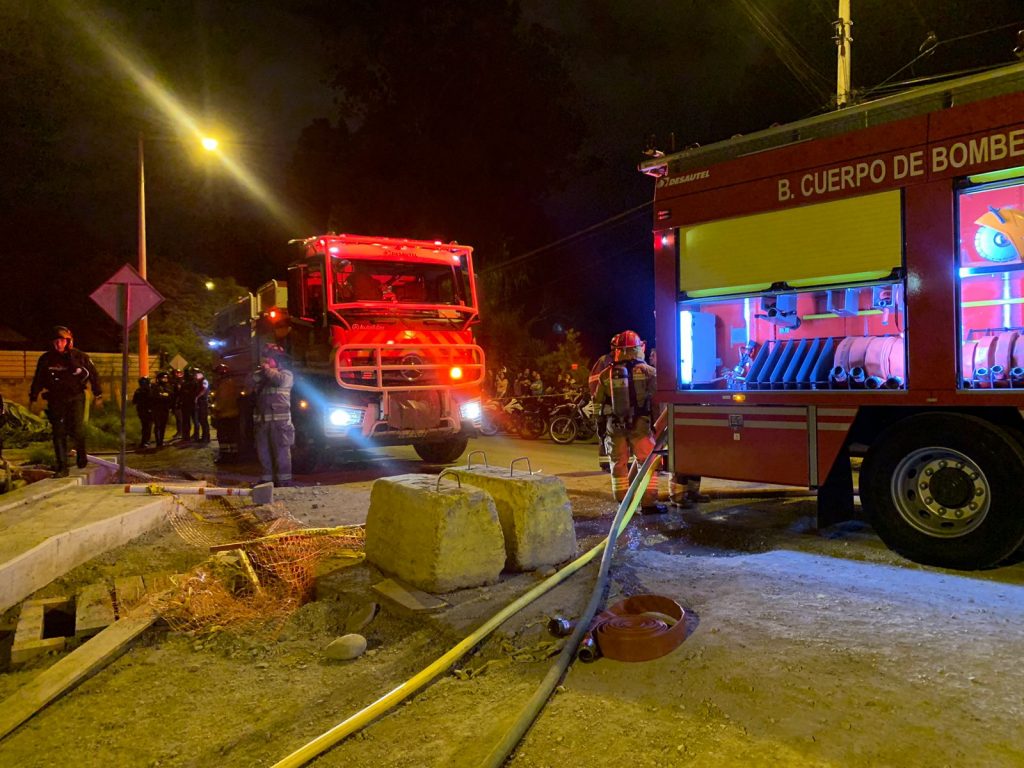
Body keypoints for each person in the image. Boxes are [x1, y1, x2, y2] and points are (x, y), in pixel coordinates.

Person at [592, 329, 663, 512]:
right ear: (639, 348)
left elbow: (598, 405)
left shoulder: (605, 374)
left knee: (618, 464)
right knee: (647, 462)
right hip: (641, 425)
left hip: (614, 426)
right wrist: (655, 427)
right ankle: (649, 504)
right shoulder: (650, 372)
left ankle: (623, 504)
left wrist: (601, 429)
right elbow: (657, 402)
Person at [29, 325, 103, 476]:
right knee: (58, 432)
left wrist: (98, 395)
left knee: (77, 429)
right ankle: (62, 466)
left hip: (75, 397)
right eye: (56, 341)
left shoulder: (80, 357)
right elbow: (38, 378)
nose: (59, 344)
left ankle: (81, 453)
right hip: (56, 399)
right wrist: (33, 396)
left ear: (69, 341)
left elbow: (93, 375)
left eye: (62, 341)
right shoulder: (46, 359)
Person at [248, 343, 295, 487]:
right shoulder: (263, 376)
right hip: (262, 423)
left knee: (281, 451)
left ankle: (284, 480)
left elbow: (280, 381)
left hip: (280, 424)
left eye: (269, 359)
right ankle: (267, 479)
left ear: (277, 360)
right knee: (264, 452)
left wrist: (267, 370)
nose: (266, 362)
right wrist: (260, 373)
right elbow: (249, 382)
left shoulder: (286, 374)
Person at [212, 363, 240, 463]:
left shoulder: (224, 385)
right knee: (232, 437)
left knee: (223, 437)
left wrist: (216, 410)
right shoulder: (232, 383)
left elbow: (222, 401)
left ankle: (224, 457)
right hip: (233, 414)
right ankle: (234, 456)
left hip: (224, 415)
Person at [150, 371, 175, 448]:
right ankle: (158, 441)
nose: (165, 379)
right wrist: (163, 396)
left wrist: (165, 396)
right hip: (157, 409)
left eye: (166, 378)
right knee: (157, 425)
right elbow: (155, 397)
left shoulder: (169, 387)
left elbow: (171, 397)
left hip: (165, 409)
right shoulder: (155, 387)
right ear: (159, 379)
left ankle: (161, 441)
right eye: (163, 378)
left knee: (163, 425)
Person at [131, 376, 153, 449]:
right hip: (148, 411)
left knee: (145, 426)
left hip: (141, 411)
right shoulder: (149, 390)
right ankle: (146, 441)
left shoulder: (138, 390)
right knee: (147, 426)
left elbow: (134, 401)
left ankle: (144, 441)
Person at [191, 369, 211, 443]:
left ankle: (206, 437)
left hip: (203, 402)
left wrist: (197, 397)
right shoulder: (198, 382)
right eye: (195, 374)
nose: (196, 375)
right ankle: (204, 437)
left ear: (202, 374)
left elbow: (204, 390)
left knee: (203, 420)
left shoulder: (204, 381)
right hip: (199, 403)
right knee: (200, 420)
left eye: (197, 374)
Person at [170, 368, 186, 439]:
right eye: (177, 373)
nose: (178, 374)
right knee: (178, 418)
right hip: (176, 402)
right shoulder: (175, 382)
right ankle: (179, 432)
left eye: (179, 373)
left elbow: (181, 393)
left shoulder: (182, 382)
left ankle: (181, 432)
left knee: (180, 419)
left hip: (180, 403)